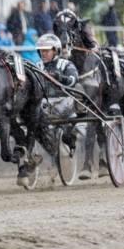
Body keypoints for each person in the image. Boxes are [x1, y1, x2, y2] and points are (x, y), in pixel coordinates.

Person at [36, 34, 80, 163]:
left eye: (46, 51)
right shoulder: (37, 66)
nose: (43, 54)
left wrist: (60, 78)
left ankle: (69, 139)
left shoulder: (66, 64)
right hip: (44, 103)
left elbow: (73, 80)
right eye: (41, 51)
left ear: (56, 50)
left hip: (64, 101)